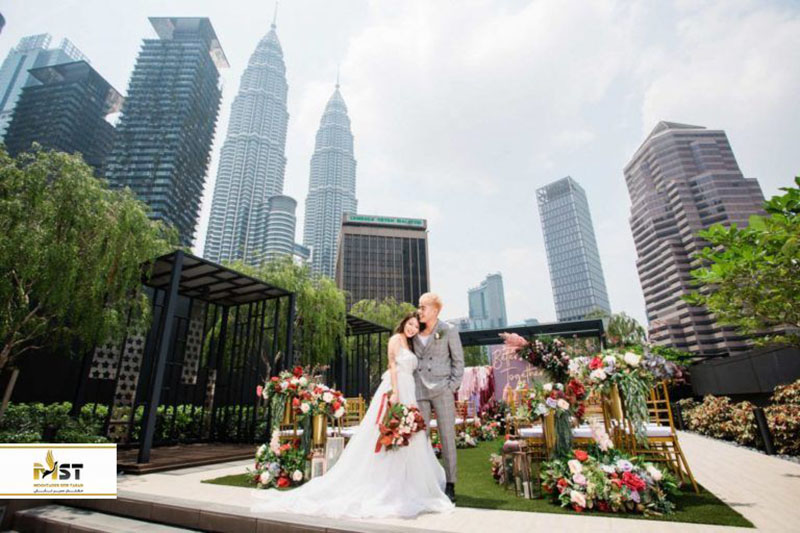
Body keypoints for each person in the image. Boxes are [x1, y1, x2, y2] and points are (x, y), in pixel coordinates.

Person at [251, 313, 454, 519]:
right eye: (410, 324)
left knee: (410, 433)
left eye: (416, 327)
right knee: (387, 430)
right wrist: (394, 392)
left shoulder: (411, 344)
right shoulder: (395, 339)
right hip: (396, 386)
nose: (412, 329)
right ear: (404, 323)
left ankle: (409, 481)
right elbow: (392, 365)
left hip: (409, 388)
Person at [414, 292, 464, 503]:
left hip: (442, 389)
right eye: (419, 306)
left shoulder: (448, 330)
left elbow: (458, 361)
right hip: (420, 390)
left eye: (423, 307)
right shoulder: (414, 330)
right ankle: (425, 482)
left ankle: (450, 483)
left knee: (447, 437)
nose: (419, 310)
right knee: (420, 438)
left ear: (435, 310)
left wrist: (451, 387)